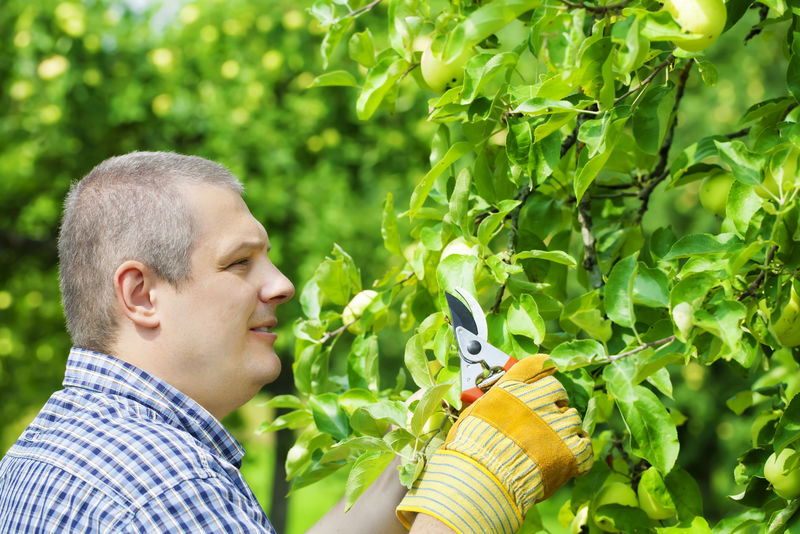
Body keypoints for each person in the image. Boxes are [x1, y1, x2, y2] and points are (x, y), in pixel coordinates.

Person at [0, 152, 592, 533]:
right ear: (141, 294)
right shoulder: (166, 488)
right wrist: (476, 491)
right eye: (238, 263)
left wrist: (421, 460)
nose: (281, 284)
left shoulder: (43, 453)